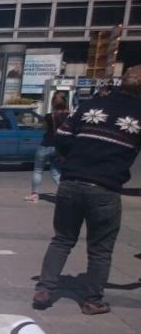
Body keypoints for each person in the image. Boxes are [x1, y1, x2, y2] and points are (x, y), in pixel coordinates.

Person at [33, 65, 141, 315]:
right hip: (105, 187)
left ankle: (44, 289)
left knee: (62, 239)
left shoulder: (91, 105)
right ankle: (92, 300)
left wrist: (78, 157)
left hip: (71, 182)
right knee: (100, 248)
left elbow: (61, 136)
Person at [25, 92, 69, 203]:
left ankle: (34, 195)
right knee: (55, 171)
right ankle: (65, 193)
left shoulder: (49, 116)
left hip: (45, 145)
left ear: (53, 103)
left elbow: (43, 127)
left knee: (38, 170)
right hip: (58, 147)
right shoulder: (70, 117)